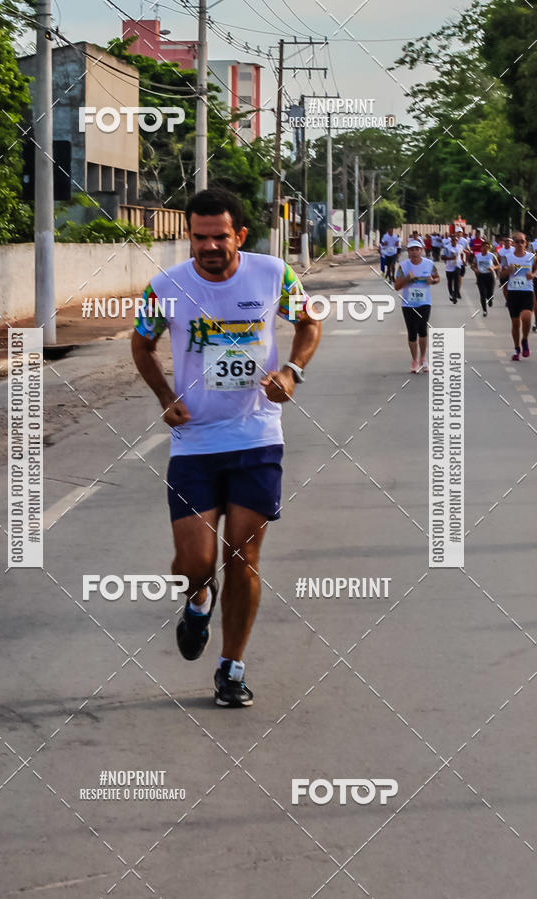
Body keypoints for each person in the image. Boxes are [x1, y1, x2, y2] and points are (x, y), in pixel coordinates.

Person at [131, 188, 321, 707]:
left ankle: (231, 667)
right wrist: (165, 396)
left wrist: (292, 370)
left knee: (243, 557)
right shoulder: (165, 286)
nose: (209, 246)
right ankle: (197, 598)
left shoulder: (274, 274)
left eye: (220, 236)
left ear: (239, 234)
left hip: (257, 437)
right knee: (194, 562)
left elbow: (308, 322)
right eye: (199, 237)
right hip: (194, 443)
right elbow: (141, 342)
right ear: (188, 236)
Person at [394, 238, 440, 373]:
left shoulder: (429, 264)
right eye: (411, 249)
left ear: (421, 251)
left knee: (423, 330)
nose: (414, 252)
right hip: (408, 304)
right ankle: (414, 360)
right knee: (412, 333)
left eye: (417, 249)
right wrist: (407, 278)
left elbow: (437, 278)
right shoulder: (403, 266)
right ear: (408, 252)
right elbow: (396, 286)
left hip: (424, 302)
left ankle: (423, 358)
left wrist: (432, 281)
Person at [501, 231, 535, 360]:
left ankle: (524, 339)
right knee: (515, 323)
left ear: (526, 243)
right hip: (513, 293)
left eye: (522, 241)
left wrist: (532, 275)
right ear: (513, 243)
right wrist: (507, 271)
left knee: (526, 318)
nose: (520, 244)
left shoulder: (531, 257)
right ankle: (517, 350)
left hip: (527, 292)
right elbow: (501, 274)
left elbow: (535, 269)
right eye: (517, 241)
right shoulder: (508, 257)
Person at [470, 239, 499, 316]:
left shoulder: (492, 255)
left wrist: (493, 268)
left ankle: (490, 300)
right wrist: (475, 270)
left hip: (490, 275)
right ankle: (484, 310)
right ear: (481, 248)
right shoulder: (477, 256)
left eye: (487, 247)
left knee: (490, 293)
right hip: (481, 276)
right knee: (482, 294)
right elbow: (472, 265)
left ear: (489, 248)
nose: (485, 248)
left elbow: (498, 265)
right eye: (484, 247)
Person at [443, 234, 461, 303]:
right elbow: (442, 257)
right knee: (450, 282)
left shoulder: (460, 247)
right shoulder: (447, 247)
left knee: (456, 281)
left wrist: (464, 260)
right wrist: (451, 258)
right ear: (451, 241)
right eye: (453, 240)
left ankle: (455, 295)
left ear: (457, 241)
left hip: (457, 266)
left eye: (456, 240)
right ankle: (451, 293)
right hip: (449, 267)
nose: (454, 241)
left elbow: (463, 253)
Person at [498, 236, 514, 304]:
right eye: (506, 241)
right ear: (504, 243)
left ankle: (510, 300)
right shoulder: (501, 250)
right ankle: (507, 300)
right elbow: (498, 259)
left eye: (509, 241)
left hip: (512, 270)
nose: (507, 243)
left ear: (511, 243)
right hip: (503, 270)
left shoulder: (514, 250)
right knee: (505, 287)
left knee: (511, 287)